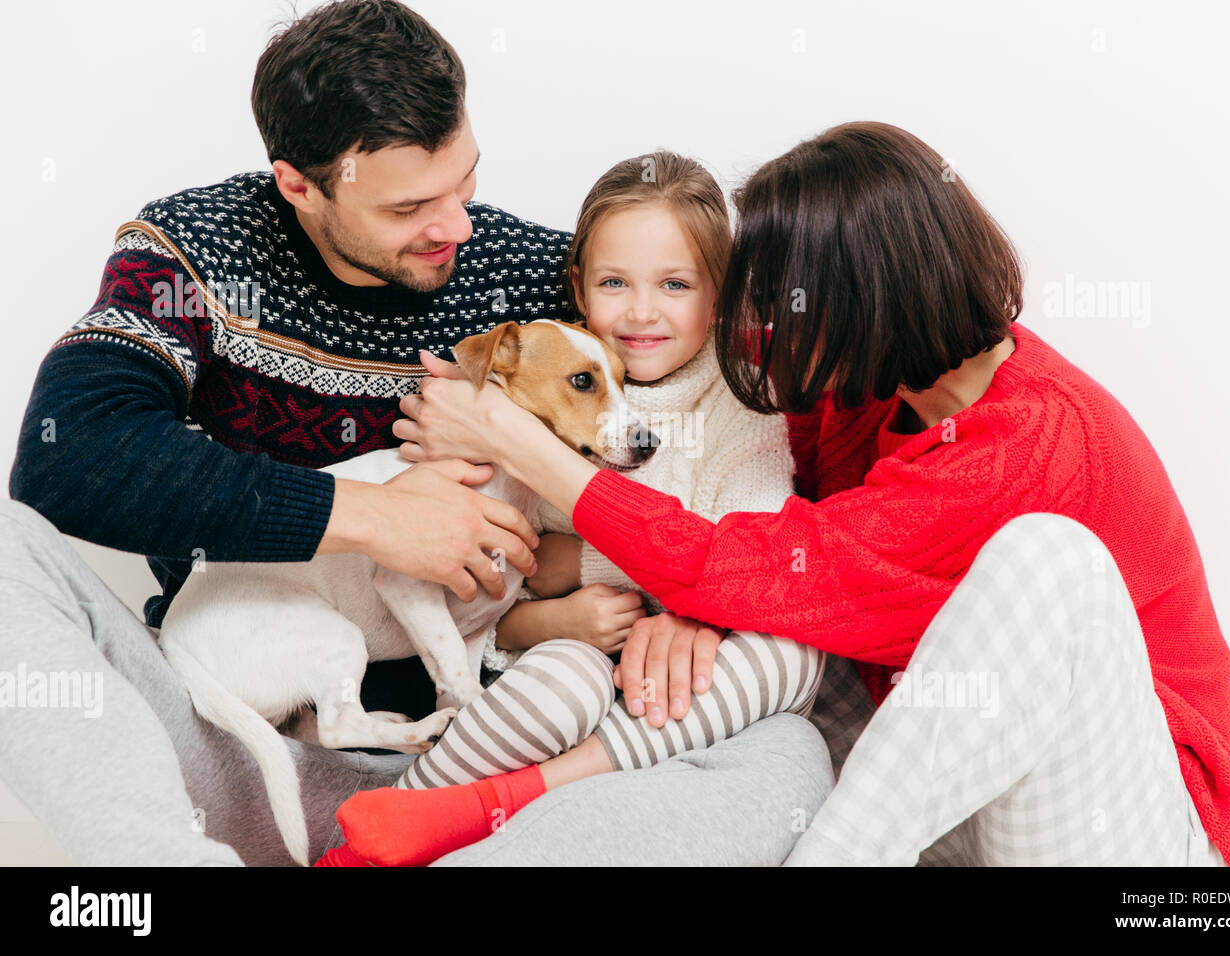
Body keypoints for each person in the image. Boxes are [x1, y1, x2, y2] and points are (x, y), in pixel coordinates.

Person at [0, 0, 832, 867]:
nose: (458, 228)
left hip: (494, 747)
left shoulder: (541, 277)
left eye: (465, 181)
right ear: (300, 185)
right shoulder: (198, 253)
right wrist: (374, 517)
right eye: (410, 209)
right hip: (241, 736)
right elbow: (66, 457)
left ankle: (428, 841)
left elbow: (714, 378)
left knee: (787, 758)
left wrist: (708, 601)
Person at [397, 120, 1230, 867]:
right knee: (776, 720)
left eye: (780, 299)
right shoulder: (870, 392)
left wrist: (515, 443)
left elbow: (761, 561)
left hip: (1135, 841)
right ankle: (483, 815)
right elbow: (743, 540)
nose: (757, 325)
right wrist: (499, 406)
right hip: (960, 802)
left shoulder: (1031, 443)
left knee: (1048, 561)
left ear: (865, 300)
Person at [316, 150, 826, 867]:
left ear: (722, 297)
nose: (642, 311)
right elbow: (500, 591)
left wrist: (666, 600)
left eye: (676, 284)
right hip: (584, 664)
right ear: (580, 289)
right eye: (615, 282)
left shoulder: (746, 402)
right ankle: (395, 823)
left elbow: (754, 559)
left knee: (794, 653)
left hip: (695, 672)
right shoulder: (554, 392)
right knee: (566, 675)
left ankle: (503, 804)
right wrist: (557, 617)